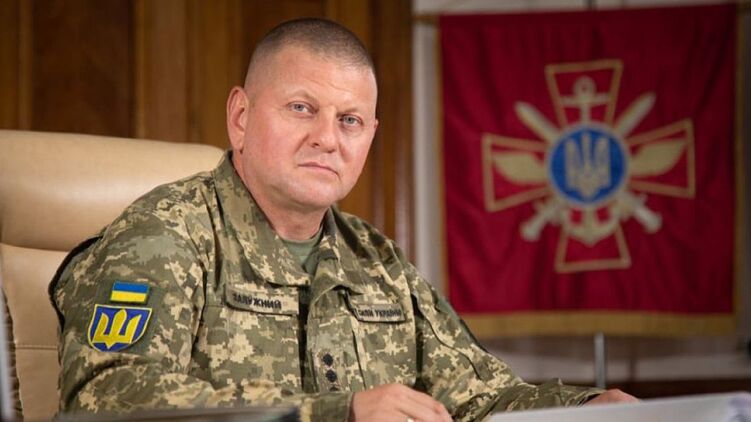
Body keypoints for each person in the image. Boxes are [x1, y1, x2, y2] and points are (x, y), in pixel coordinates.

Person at [49, 18, 636, 422]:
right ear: (241, 116)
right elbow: (107, 398)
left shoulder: (377, 262)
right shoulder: (164, 235)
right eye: (301, 108)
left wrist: (587, 409)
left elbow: (479, 397)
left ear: (370, 136)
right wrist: (341, 413)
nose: (327, 139)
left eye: (350, 121)